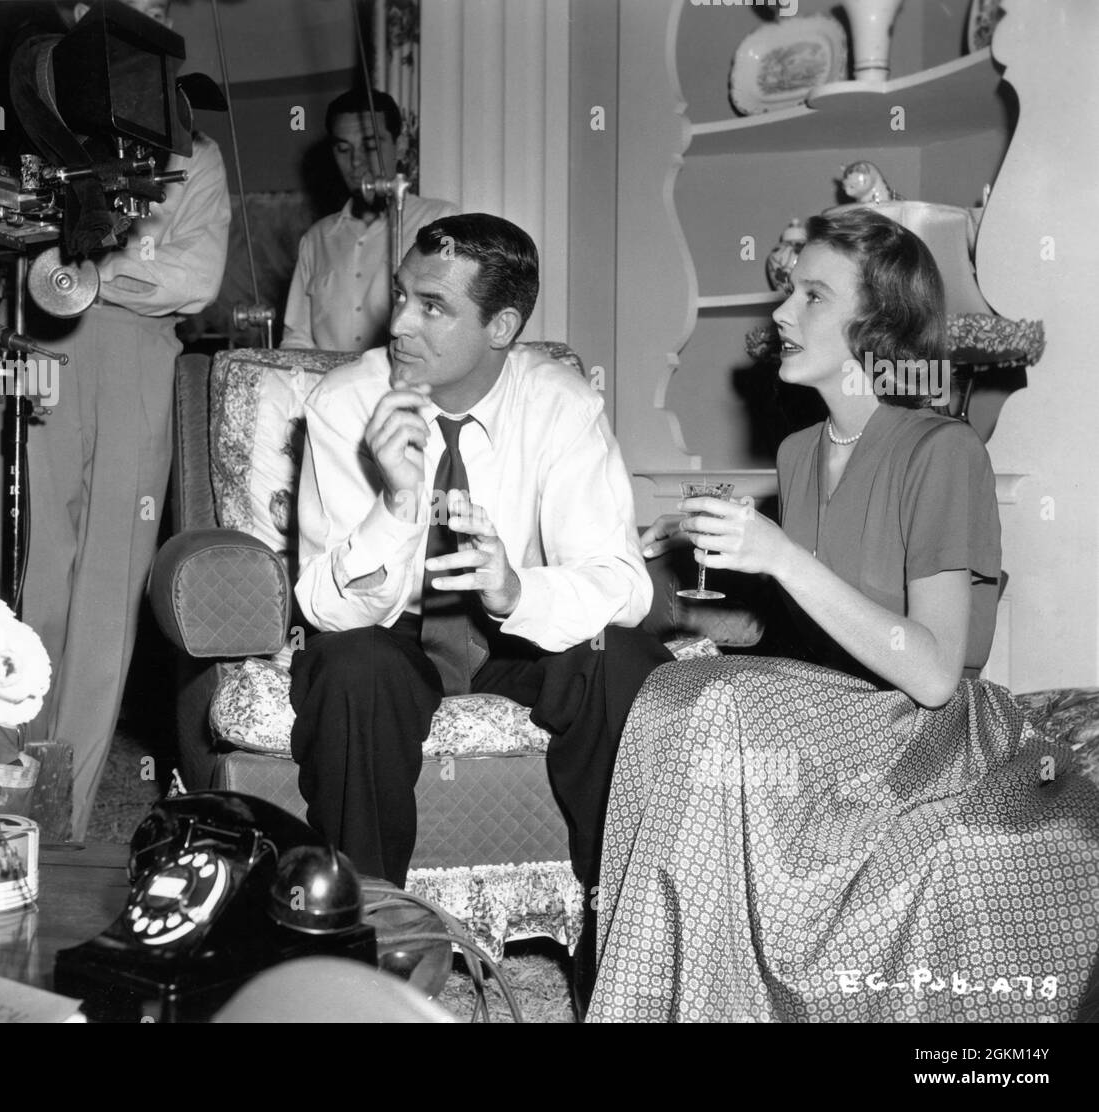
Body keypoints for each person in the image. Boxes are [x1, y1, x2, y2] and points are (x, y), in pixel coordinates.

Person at [589, 208, 1099, 1022]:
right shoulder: (798, 453)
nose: (782, 314)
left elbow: (934, 671)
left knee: (712, 704)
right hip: (837, 723)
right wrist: (655, 592)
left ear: (879, 325)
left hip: (930, 738)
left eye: (813, 296)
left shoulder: (945, 452)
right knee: (670, 698)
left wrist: (780, 557)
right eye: (789, 291)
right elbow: (804, 637)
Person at [290, 213, 673, 895]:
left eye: (433, 306)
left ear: (501, 328)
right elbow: (324, 605)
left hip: (515, 643)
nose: (400, 322)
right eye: (403, 295)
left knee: (623, 661)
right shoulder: (348, 401)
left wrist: (518, 594)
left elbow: (624, 586)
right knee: (351, 668)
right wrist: (398, 504)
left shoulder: (560, 404)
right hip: (393, 639)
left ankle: (625, 935)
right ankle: (366, 940)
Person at [0, 0, 232, 840]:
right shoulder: (16, 121)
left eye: (155, 6)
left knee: (105, 595)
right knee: (18, 572)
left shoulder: (193, 154)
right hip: (30, 354)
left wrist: (81, 267)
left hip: (135, 364)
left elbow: (193, 281)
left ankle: (55, 817)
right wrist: (123, 259)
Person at [280, 88, 456, 351]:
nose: (356, 162)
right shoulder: (316, 239)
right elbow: (297, 340)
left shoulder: (440, 221)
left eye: (371, 146)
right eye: (343, 149)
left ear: (401, 146)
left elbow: (454, 324)